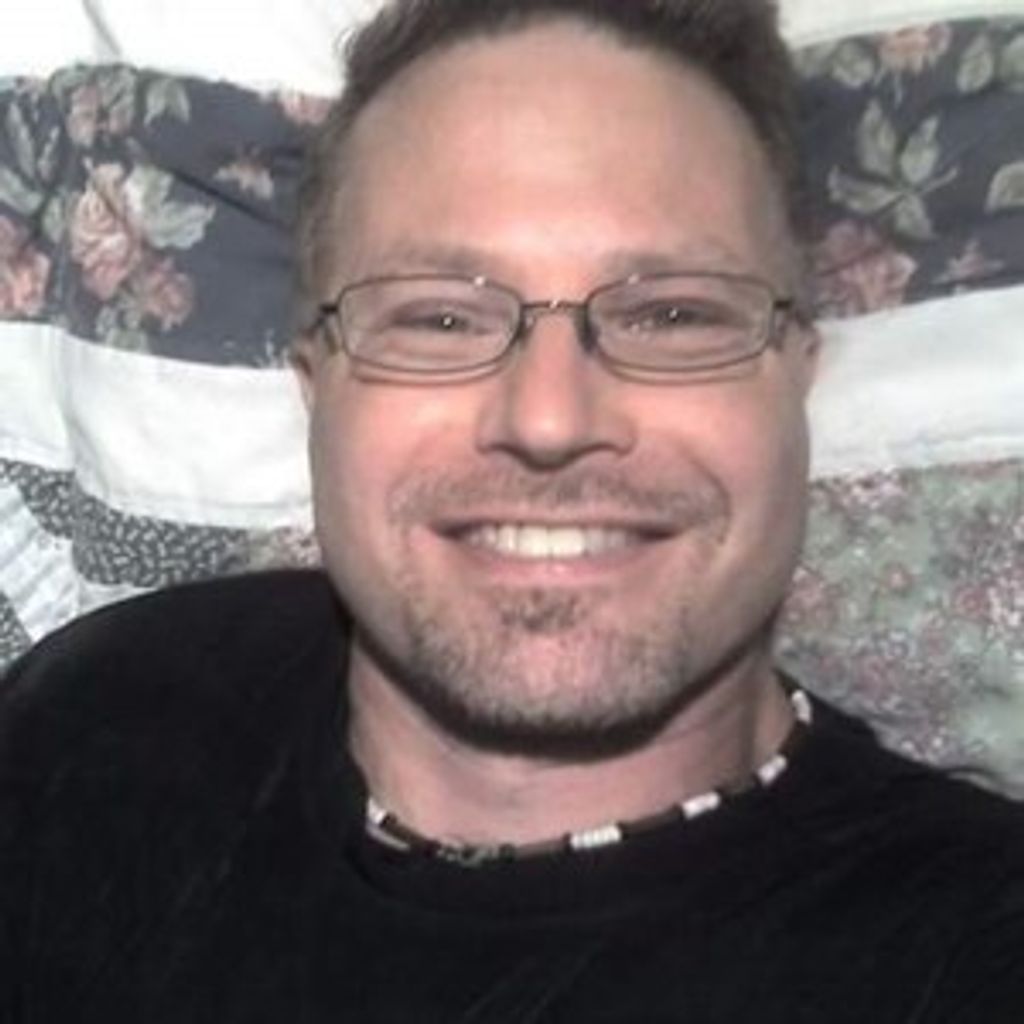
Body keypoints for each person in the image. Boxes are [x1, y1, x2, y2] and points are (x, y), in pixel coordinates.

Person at [1, 0, 1022, 1019]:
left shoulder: (967, 945)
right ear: (317, 385)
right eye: (439, 318)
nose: (548, 419)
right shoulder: (96, 718)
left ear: (796, 375)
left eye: (672, 316)